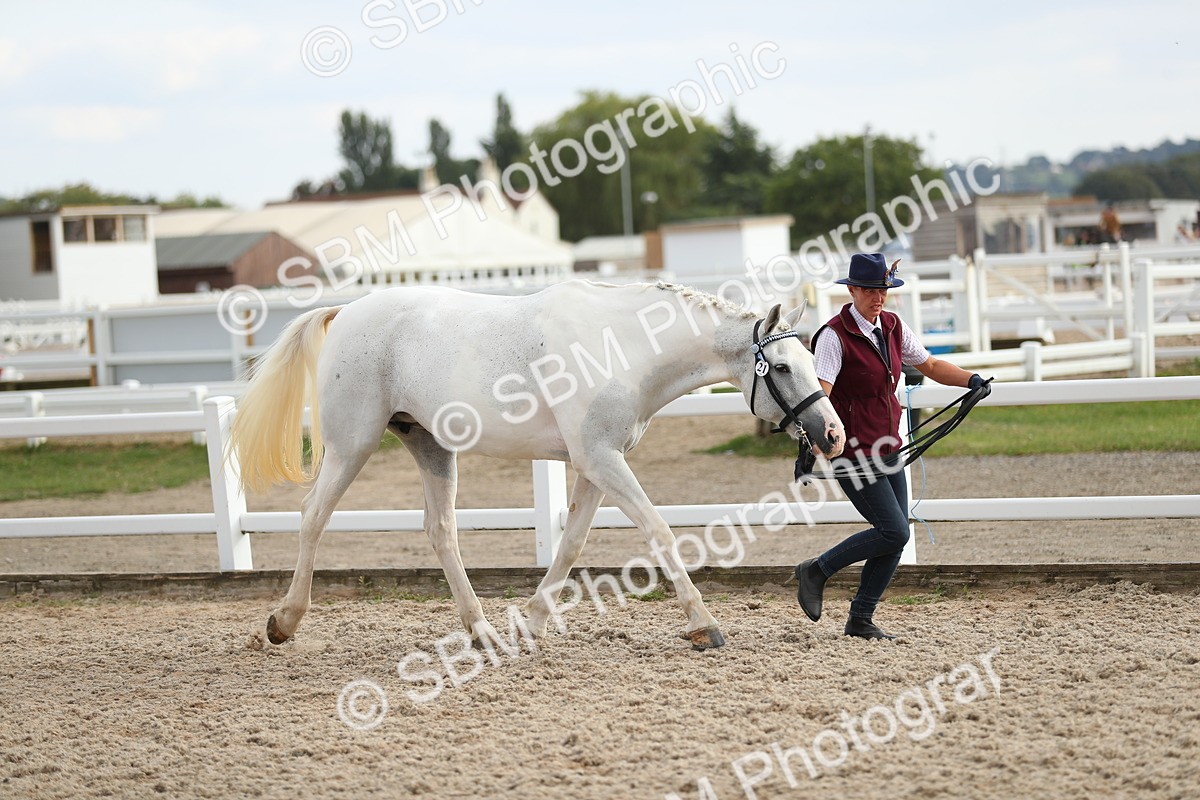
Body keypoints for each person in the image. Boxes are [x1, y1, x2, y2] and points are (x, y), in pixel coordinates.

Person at [795, 252, 991, 640]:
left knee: (895, 536)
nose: (877, 297)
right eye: (869, 290)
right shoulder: (834, 336)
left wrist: (970, 380)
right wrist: (815, 445)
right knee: (894, 531)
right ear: (851, 290)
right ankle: (817, 570)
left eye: (882, 290)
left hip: (889, 449)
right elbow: (823, 398)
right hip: (851, 453)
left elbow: (930, 365)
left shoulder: (893, 326)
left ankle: (860, 618)